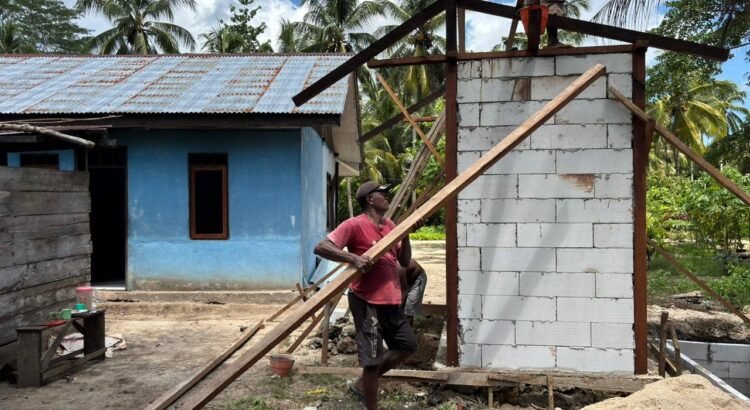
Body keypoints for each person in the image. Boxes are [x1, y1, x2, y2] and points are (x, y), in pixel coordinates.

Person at [314, 181, 416, 410]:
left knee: (407, 345)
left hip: (391, 300)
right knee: (372, 359)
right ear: (370, 199)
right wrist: (353, 258)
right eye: (382, 193)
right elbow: (321, 247)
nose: (387, 196)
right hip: (366, 301)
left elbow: (404, 261)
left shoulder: (390, 225)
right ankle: (371, 404)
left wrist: (406, 235)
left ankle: (362, 384)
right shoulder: (354, 225)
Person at [400, 259, 427, 327]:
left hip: (416, 279)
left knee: (408, 309)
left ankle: (407, 330)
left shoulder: (399, 267)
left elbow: (403, 292)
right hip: (405, 280)